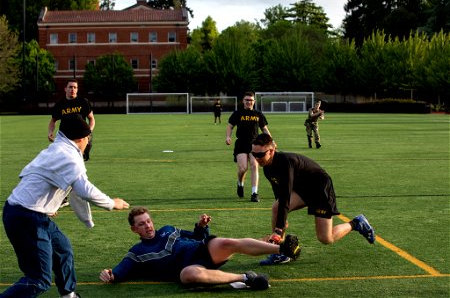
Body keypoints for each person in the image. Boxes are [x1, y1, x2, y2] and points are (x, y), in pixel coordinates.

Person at [1, 115, 130, 298]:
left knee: (63, 249)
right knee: (39, 279)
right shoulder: (69, 156)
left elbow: (38, 179)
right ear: (80, 138)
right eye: (88, 138)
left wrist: (47, 205)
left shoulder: (57, 149)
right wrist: (112, 203)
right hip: (27, 218)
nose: (88, 142)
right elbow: (84, 190)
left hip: (29, 213)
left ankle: (68, 295)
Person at [99, 206, 301, 290]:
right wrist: (110, 274)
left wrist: (201, 226)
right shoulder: (136, 252)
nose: (148, 226)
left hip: (201, 250)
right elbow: (120, 271)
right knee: (188, 275)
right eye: (142, 224)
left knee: (226, 243)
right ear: (134, 229)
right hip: (189, 267)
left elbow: (196, 236)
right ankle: (246, 278)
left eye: (149, 221)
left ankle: (282, 250)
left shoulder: (169, 230)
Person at [251, 133, 375, 266]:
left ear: (271, 150)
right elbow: (280, 195)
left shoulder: (285, 162)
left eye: (260, 155)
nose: (256, 159)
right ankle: (280, 253)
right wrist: (282, 220)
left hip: (320, 189)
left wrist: (278, 229)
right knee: (277, 208)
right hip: (302, 189)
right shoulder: (267, 168)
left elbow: (286, 195)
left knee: (326, 238)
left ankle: (356, 223)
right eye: (254, 154)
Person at [225, 92, 271, 202]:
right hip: (241, 143)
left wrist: (271, 141)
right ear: (243, 101)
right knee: (243, 168)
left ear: (254, 101)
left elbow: (264, 129)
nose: (249, 102)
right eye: (247, 100)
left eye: (251, 100)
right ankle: (240, 183)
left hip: (255, 144)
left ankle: (254, 193)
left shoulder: (258, 114)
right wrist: (228, 137)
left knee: (254, 166)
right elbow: (230, 126)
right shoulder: (238, 113)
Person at [48, 78, 95, 161]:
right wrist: (50, 132)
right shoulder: (60, 104)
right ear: (65, 89)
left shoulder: (83, 102)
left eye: (75, 87)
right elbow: (53, 120)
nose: (72, 89)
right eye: (70, 87)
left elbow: (91, 119)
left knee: (79, 161)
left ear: (77, 89)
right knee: (62, 159)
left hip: (80, 137)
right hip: (65, 137)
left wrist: (89, 132)